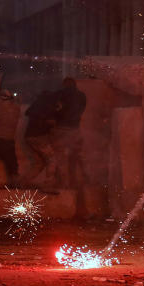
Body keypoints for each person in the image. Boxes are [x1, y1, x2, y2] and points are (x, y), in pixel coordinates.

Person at [53, 77, 87, 209]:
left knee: (59, 157)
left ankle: (63, 183)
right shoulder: (82, 96)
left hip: (61, 129)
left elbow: (55, 109)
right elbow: (82, 109)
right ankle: (77, 181)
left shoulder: (60, 95)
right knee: (75, 156)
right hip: (75, 129)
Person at [22, 90, 61, 186]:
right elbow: (52, 123)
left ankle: (22, 183)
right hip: (39, 138)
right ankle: (49, 184)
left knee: (39, 163)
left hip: (29, 137)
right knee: (52, 159)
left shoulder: (36, 105)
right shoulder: (49, 107)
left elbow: (27, 112)